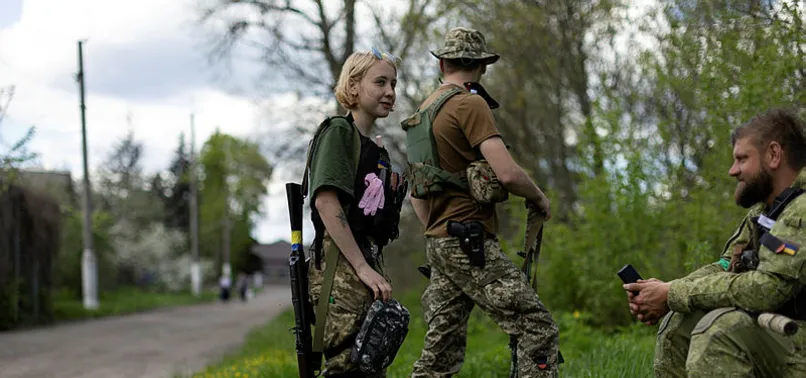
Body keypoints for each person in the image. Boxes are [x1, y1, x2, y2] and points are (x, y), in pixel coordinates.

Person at [407, 27, 560, 377]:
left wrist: (437, 228)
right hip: (468, 241)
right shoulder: (469, 103)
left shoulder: (422, 113)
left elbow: (416, 192)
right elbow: (506, 173)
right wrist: (539, 197)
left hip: (439, 241)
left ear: (442, 63)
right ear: (482, 66)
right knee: (537, 327)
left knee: (439, 353)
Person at [624, 108, 806, 377]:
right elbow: (726, 266)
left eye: (742, 159)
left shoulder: (801, 210)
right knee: (678, 322)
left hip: (797, 338)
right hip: (778, 332)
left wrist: (674, 293)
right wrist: (665, 292)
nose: (733, 171)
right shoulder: (765, 212)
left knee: (719, 330)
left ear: (774, 154)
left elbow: (767, 290)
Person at [305, 47, 405, 377]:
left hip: (365, 264)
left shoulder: (373, 149)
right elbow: (326, 202)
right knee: (347, 368)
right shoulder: (338, 133)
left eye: (393, 83)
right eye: (380, 82)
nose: (390, 92)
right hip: (341, 269)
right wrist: (361, 266)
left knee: (368, 368)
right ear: (354, 85)